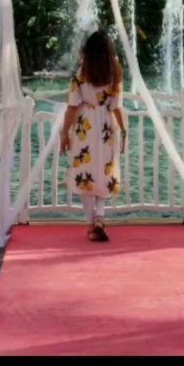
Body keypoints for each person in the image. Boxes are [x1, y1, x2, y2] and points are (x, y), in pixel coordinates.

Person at [60, 31, 127, 242]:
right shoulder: (115, 73)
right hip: (107, 126)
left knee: (85, 173)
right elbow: (116, 107)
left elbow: (72, 107)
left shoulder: (81, 74)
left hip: (85, 127)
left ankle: (91, 224)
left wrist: (64, 133)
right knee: (104, 171)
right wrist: (124, 131)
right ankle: (100, 216)